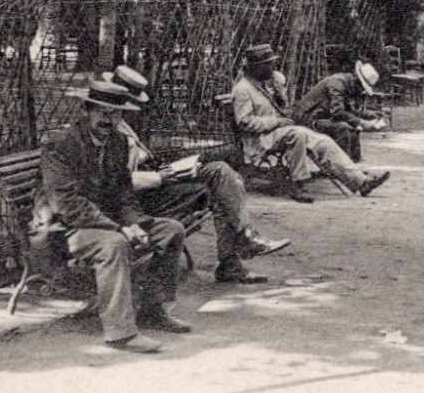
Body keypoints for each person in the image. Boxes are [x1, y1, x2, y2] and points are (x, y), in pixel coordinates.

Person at [34, 79, 192, 354]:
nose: (109, 119)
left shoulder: (118, 143)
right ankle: (120, 333)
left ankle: (153, 309)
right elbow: (67, 205)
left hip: (103, 223)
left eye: (116, 113)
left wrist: (135, 222)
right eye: (102, 112)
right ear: (87, 110)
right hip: (60, 229)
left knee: (172, 230)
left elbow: (124, 193)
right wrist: (120, 228)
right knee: (114, 245)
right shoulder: (60, 145)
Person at [101, 66, 289, 285]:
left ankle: (243, 244)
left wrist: (165, 168)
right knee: (220, 185)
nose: (128, 109)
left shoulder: (121, 124)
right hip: (136, 201)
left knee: (220, 172)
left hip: (148, 187)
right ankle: (240, 250)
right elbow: (117, 181)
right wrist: (162, 176)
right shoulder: (108, 131)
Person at [218, 43, 390, 202]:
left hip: (274, 135)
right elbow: (245, 122)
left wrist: (280, 95)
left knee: (323, 141)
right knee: (298, 133)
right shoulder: (242, 89)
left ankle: (360, 182)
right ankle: (297, 185)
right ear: (255, 67)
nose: (272, 68)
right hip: (258, 140)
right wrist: (276, 122)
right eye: (267, 64)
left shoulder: (260, 86)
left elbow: (277, 109)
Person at [293, 61, 387, 163]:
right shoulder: (337, 84)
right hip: (308, 119)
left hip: (320, 117)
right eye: (362, 87)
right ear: (357, 81)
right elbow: (337, 112)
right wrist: (362, 122)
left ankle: (354, 165)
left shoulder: (345, 84)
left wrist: (369, 115)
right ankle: (340, 166)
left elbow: (347, 110)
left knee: (354, 130)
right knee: (342, 129)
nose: (361, 91)